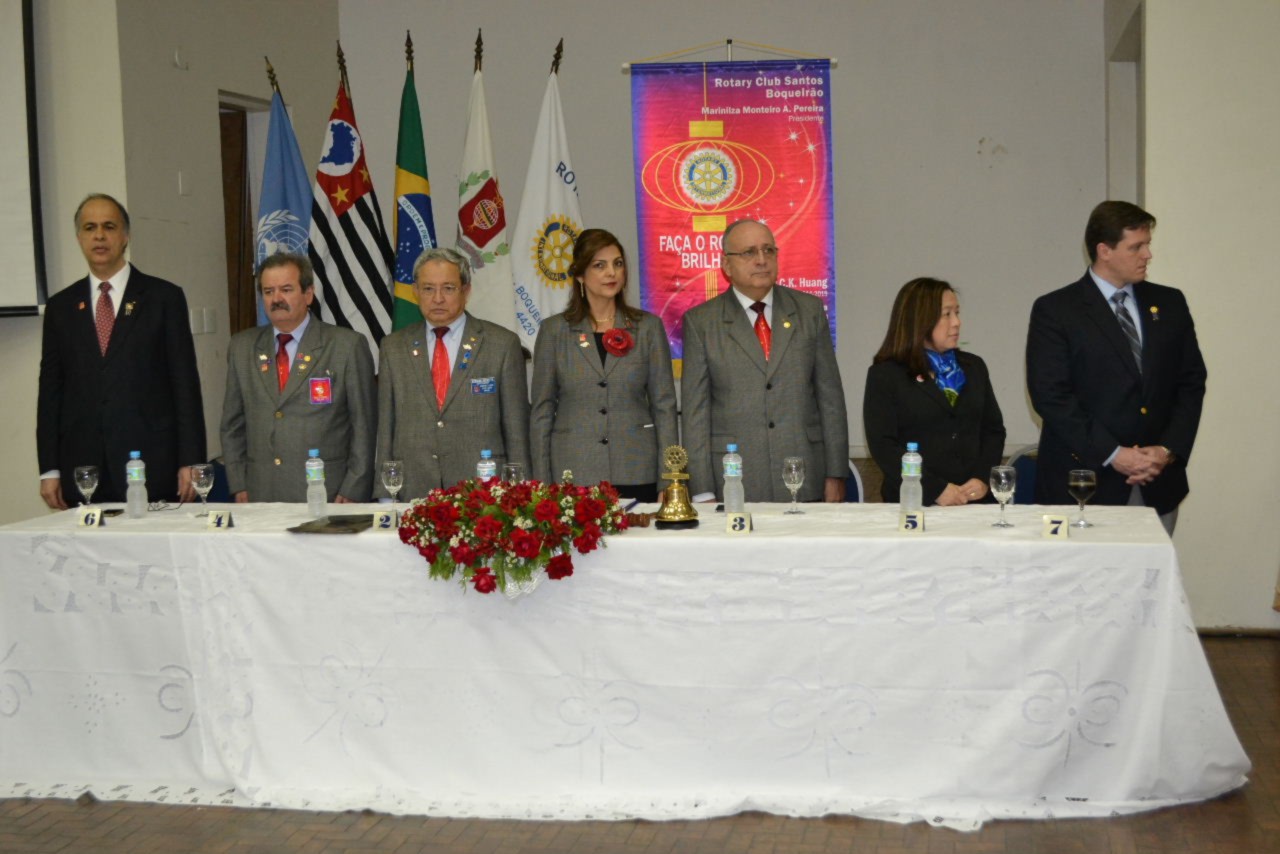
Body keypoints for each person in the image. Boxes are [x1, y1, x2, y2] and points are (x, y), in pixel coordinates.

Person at [1026, 200, 1206, 531]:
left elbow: (1191, 382)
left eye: (1147, 244)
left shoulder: (1169, 303)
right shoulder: (1056, 310)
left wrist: (1166, 450)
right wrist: (1113, 453)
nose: (1147, 254)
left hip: (1157, 483)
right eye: (1136, 247)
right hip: (1084, 485)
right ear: (1104, 251)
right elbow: (1051, 395)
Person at [37, 193, 206, 508]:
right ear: (79, 238)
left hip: (154, 465)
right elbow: (50, 392)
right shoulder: (61, 307)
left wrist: (191, 459)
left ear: (125, 236)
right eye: (90, 228)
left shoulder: (163, 298)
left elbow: (184, 384)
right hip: (84, 471)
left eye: (109, 226)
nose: (99, 236)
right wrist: (49, 468)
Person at [681, 219, 849, 503]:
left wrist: (835, 473)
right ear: (726, 265)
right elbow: (695, 414)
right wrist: (702, 490)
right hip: (735, 480)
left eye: (768, 250)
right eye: (749, 252)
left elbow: (830, 398)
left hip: (805, 474)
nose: (761, 260)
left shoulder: (808, 311)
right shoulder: (702, 322)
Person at [529, 229, 677, 501]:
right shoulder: (554, 331)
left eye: (617, 264)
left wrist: (669, 480)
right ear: (580, 275)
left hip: (636, 468)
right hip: (574, 471)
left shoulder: (647, 328)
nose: (612, 273)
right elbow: (542, 411)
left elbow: (664, 407)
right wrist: (541, 483)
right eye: (600, 265)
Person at [219, 252, 376, 503]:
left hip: (328, 492)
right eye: (268, 291)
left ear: (308, 293)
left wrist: (353, 488)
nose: (276, 299)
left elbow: (364, 427)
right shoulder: (242, 347)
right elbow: (232, 425)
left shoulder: (346, 346)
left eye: (286, 289)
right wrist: (239, 484)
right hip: (260, 492)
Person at [375, 247, 529, 499]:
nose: (438, 298)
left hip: (483, 493)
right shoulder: (393, 347)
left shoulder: (502, 344)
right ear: (415, 292)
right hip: (413, 488)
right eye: (428, 288)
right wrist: (384, 493)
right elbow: (385, 427)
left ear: (465, 291)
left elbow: (517, 431)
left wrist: (520, 492)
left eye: (448, 288)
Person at [863, 278, 1006, 505]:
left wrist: (982, 478)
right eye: (946, 314)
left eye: (957, 313)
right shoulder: (886, 375)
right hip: (914, 501)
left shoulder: (974, 367)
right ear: (919, 320)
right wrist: (934, 488)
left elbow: (993, 430)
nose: (957, 322)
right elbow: (884, 446)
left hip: (974, 500)